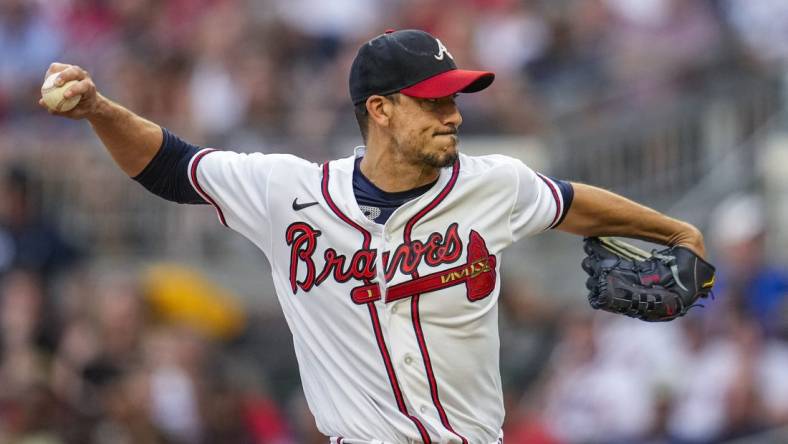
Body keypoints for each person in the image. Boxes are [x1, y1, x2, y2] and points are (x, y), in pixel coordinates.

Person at [41, 29, 706, 444]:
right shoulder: (289, 191)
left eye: (456, 99)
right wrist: (100, 109)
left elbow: (572, 205)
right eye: (435, 101)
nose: (454, 114)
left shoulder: (492, 184)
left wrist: (675, 229)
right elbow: (169, 165)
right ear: (381, 111)